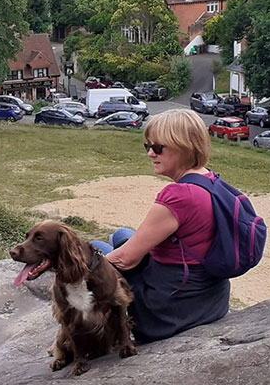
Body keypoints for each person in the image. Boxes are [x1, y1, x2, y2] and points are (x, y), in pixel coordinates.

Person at [93, 109, 230, 343]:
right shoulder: (211, 180)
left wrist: (78, 271)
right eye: (147, 146)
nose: (150, 154)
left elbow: (126, 260)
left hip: (170, 310)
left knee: (96, 250)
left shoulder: (179, 195)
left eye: (157, 148)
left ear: (184, 147)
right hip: (212, 298)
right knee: (121, 234)